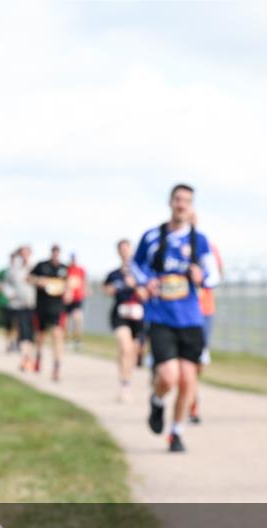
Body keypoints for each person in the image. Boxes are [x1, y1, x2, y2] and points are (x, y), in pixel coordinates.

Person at [133, 184, 220, 453]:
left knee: (188, 379)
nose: (182, 204)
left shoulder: (199, 240)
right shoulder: (152, 237)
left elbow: (214, 274)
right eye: (178, 199)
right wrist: (146, 282)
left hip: (191, 318)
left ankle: (177, 431)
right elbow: (136, 266)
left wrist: (202, 278)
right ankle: (158, 400)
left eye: (187, 201)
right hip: (161, 317)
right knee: (168, 377)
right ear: (170, 202)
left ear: (192, 206)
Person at [103, 239, 145, 403]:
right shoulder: (114, 274)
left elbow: (147, 289)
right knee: (125, 347)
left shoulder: (140, 272)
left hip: (139, 315)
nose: (125, 252)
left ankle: (127, 378)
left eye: (127, 249)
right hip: (120, 314)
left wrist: (136, 285)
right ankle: (124, 385)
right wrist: (112, 289)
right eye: (121, 249)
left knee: (133, 351)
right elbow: (106, 288)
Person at [189, 232, 223, 424]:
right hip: (182, 311)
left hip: (205, 310)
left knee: (199, 360)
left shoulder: (209, 247)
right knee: (186, 359)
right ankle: (192, 403)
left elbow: (217, 275)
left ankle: (191, 392)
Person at [28, 244, 69, 381]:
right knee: (40, 337)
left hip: (57, 308)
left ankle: (56, 368)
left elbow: (71, 284)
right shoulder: (41, 266)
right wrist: (39, 281)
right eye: (54, 252)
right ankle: (38, 357)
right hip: (42, 307)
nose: (55, 255)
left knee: (57, 336)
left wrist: (68, 291)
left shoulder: (64, 268)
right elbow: (28, 278)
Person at [7, 246, 37, 371]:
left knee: (32, 334)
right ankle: (25, 359)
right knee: (24, 333)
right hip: (20, 305)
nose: (25, 256)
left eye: (27, 253)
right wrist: (10, 295)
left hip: (34, 305)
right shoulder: (14, 270)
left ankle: (29, 358)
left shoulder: (35, 267)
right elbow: (7, 285)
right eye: (22, 254)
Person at [65, 253, 88, 351]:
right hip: (67, 299)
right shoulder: (67, 270)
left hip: (78, 298)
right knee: (66, 321)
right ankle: (67, 341)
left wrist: (85, 290)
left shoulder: (81, 270)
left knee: (78, 320)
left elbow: (84, 281)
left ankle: (77, 340)